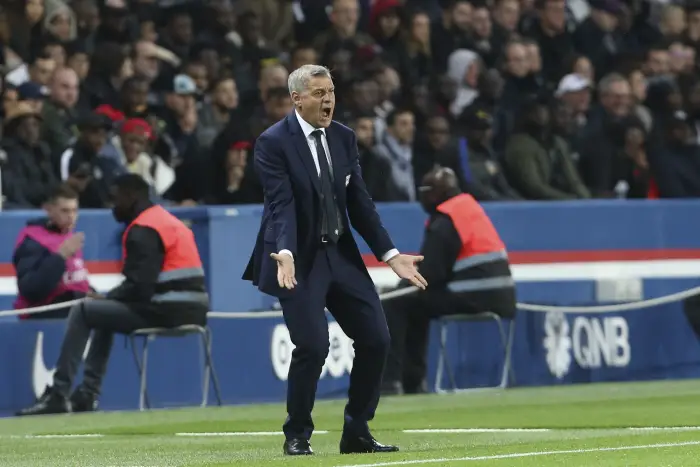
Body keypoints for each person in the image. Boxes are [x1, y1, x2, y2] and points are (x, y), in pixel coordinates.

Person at [242, 64, 427, 456]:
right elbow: (281, 205)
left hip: (340, 255)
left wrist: (390, 255)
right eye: (319, 93)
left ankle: (356, 431)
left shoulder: (343, 138)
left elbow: (359, 202)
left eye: (331, 92)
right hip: (297, 259)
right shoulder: (272, 142)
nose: (328, 100)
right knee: (312, 345)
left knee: (377, 338)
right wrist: (287, 252)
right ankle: (297, 434)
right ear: (297, 99)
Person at [17, 174, 209, 416]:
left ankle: (60, 393)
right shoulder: (168, 221)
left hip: (167, 309)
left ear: (131, 197)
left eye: (115, 198)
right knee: (102, 314)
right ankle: (87, 395)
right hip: (196, 310)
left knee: (85, 310)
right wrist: (109, 301)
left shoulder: (143, 228)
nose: (112, 206)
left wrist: (108, 298)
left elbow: (140, 288)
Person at [381, 166, 517, 395]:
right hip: (502, 298)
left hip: (472, 296)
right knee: (414, 302)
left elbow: (430, 274)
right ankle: (414, 381)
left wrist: (399, 288)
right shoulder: (470, 208)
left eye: (424, 190)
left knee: (395, 303)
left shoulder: (446, 219)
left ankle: (393, 382)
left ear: (435, 193)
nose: (422, 197)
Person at [13, 184, 90, 319]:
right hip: (46, 318)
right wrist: (60, 256)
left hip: (74, 310)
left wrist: (90, 292)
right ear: (49, 210)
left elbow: (72, 279)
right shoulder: (32, 241)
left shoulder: (68, 236)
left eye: (74, 210)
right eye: (65, 211)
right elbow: (30, 290)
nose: (71, 216)